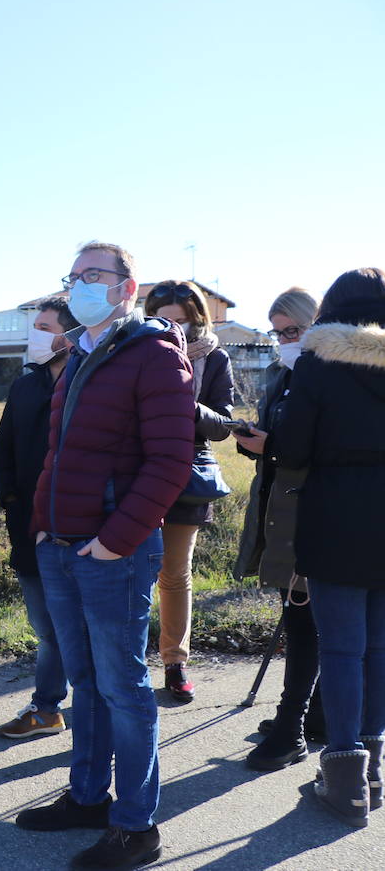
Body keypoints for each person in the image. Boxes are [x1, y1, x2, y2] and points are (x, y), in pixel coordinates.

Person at [18, 243, 194, 870]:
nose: (81, 286)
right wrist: (43, 524)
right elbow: (60, 452)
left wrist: (116, 538)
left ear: (126, 287)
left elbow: (171, 461)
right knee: (87, 683)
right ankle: (89, 797)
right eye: (75, 277)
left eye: (95, 276)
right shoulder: (81, 355)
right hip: (64, 546)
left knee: (123, 689)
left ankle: (136, 825)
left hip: (111, 553)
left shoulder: (152, 355)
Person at [275, 267, 385, 827]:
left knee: (342, 649)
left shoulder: (320, 359)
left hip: (338, 513)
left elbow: (293, 449)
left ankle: (344, 778)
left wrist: (263, 441)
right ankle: (373, 769)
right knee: (380, 648)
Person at [233, 287, 325, 770]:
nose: (286, 339)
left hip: (311, 518)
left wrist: (270, 446)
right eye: (279, 331)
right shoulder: (283, 373)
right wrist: (258, 444)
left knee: (307, 624)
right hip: (281, 512)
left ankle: (293, 728)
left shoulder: (329, 375)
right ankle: (314, 716)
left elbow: (322, 451)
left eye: (295, 330)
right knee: (305, 622)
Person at [142, 281, 234, 704]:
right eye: (162, 319)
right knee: (128, 572)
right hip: (133, 471)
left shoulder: (214, 357)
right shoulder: (134, 351)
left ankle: (174, 662)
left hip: (187, 472)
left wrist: (185, 405)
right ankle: (121, 663)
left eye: (181, 320)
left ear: (198, 319)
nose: (172, 328)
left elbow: (225, 422)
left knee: (174, 574)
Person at [0, 296, 77, 739]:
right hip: (28, 525)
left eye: (45, 327)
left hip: (78, 528)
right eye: (35, 326)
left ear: (73, 333)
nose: (35, 335)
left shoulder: (90, 380)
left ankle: (73, 707)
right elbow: (1, 447)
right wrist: (9, 497)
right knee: (47, 628)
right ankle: (49, 708)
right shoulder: (25, 386)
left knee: (77, 627)